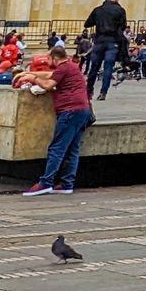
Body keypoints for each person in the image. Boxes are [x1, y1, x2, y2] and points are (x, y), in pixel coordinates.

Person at [21, 46, 94, 196]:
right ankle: (67, 184)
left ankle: (46, 183)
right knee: (72, 149)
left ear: (55, 58)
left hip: (70, 111)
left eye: (48, 59)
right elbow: (50, 74)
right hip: (82, 111)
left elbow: (48, 84)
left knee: (57, 148)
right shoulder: (71, 66)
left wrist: (32, 78)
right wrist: (28, 73)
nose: (47, 62)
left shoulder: (63, 67)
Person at [81, 0, 127, 101]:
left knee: (94, 67)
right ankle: (103, 92)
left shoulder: (98, 10)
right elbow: (123, 26)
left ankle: (89, 91)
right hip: (112, 41)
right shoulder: (120, 10)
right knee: (108, 68)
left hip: (99, 41)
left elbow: (87, 24)